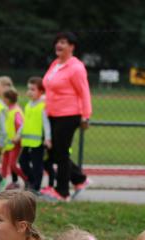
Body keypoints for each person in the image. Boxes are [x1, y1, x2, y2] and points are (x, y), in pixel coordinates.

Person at [42, 31, 91, 201]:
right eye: (58, 42)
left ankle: (62, 192)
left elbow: (84, 92)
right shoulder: (55, 64)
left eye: (63, 42)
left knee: (61, 153)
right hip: (53, 114)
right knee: (55, 152)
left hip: (69, 115)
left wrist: (86, 115)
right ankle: (79, 179)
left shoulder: (76, 67)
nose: (59, 45)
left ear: (71, 47)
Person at [19, 77, 52, 193]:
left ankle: (36, 187)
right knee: (22, 161)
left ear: (41, 92)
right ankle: (31, 181)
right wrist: (19, 134)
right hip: (27, 141)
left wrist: (48, 138)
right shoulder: (28, 105)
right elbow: (25, 122)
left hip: (38, 142)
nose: (29, 92)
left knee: (37, 165)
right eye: (28, 89)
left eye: (33, 89)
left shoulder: (42, 106)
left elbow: (46, 124)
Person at [0, 88, 28, 191]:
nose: (2, 100)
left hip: (15, 143)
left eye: (4, 98)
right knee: (4, 164)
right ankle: (1, 183)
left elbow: (21, 126)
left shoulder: (16, 111)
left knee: (12, 165)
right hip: (8, 143)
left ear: (8, 99)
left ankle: (27, 180)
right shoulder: (8, 110)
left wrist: (17, 137)